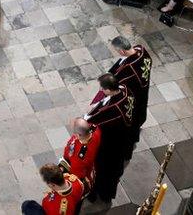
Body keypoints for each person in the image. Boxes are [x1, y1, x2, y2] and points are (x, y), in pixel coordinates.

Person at [85, 73, 133, 204]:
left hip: (112, 146)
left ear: (108, 90)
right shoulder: (125, 90)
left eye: (102, 88)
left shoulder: (114, 110)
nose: (100, 90)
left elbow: (95, 122)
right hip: (124, 137)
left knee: (103, 171)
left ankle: (98, 194)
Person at [107, 36, 152, 156]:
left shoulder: (129, 69)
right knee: (138, 115)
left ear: (122, 51)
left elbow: (116, 81)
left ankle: (128, 145)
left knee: (131, 122)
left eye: (117, 51)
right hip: (143, 92)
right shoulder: (141, 50)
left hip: (134, 97)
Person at [20, 164, 85, 215]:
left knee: (27, 206)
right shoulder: (75, 180)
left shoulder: (53, 206)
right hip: (73, 206)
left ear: (52, 184)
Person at [61, 118, 101, 194]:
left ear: (78, 135)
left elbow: (77, 175)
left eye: (73, 132)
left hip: (81, 172)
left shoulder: (79, 157)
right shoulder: (95, 129)